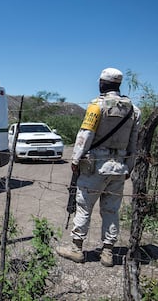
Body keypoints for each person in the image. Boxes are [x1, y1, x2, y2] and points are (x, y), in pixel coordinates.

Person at [56, 67, 141, 267]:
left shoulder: (96, 105)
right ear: (118, 85)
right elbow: (133, 143)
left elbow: (85, 135)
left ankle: (76, 249)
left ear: (102, 84)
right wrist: (129, 166)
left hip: (95, 166)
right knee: (111, 210)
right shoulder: (133, 110)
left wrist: (75, 160)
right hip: (119, 168)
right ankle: (108, 253)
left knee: (84, 207)